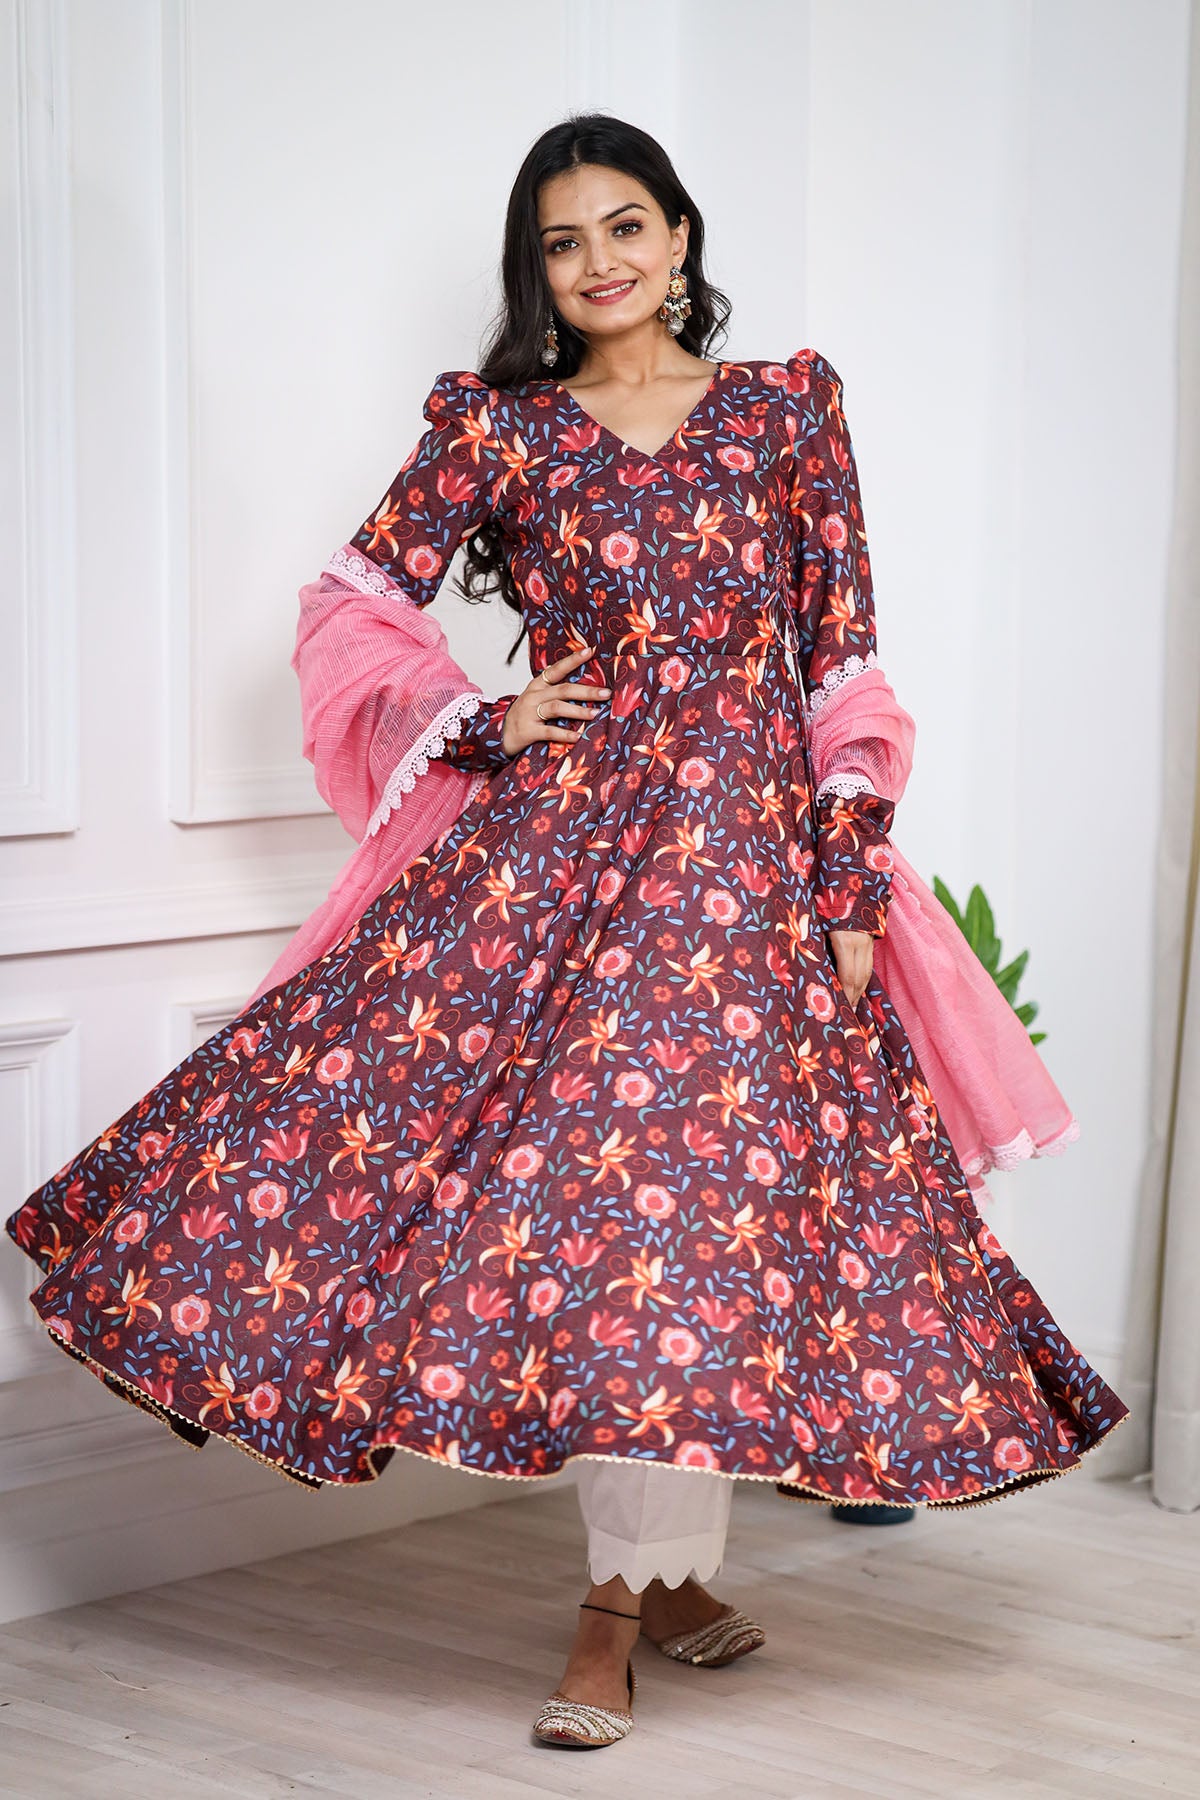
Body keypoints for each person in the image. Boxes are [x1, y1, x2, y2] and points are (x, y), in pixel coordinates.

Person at [5, 113, 1128, 1752]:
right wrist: (478, 717)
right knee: (598, 1219)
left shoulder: (785, 411)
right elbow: (348, 605)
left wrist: (846, 875)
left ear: (681, 237)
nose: (598, 263)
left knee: (696, 1223)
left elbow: (842, 665)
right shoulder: (506, 432)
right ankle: (628, 1599)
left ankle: (645, 1588)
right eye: (560, 242)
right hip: (562, 876)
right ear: (539, 271)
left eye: (625, 227)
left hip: (744, 877)